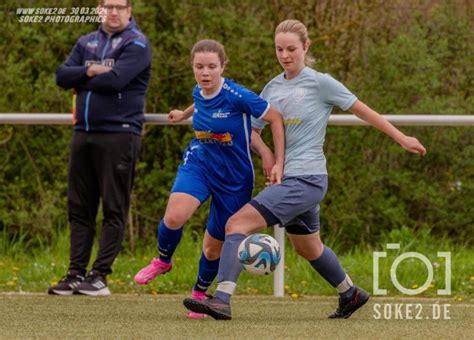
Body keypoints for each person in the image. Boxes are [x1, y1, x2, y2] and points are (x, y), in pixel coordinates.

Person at [184, 19, 427, 320]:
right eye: (279, 49)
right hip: (289, 180)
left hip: (306, 178)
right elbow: (254, 131)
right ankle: (350, 294)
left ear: (306, 47)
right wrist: (267, 156)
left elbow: (363, 109)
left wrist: (401, 137)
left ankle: (221, 299)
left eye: (291, 49)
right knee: (309, 247)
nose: (285, 55)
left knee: (236, 225)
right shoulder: (272, 86)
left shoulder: (320, 82)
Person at [133, 39, 285, 318]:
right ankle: (163, 261)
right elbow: (200, 100)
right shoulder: (199, 89)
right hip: (200, 164)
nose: (205, 72)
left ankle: (200, 293)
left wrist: (269, 155)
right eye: (199, 67)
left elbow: (274, 118)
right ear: (193, 67)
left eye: (211, 67)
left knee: (213, 248)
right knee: (175, 215)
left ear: (223, 67)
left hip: (234, 178)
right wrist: (183, 113)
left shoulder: (238, 95)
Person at [48, 0, 152, 296]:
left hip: (119, 135)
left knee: (113, 207)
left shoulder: (138, 44)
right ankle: (75, 273)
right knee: (79, 207)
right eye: (108, 5)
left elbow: (117, 80)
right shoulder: (86, 41)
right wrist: (91, 71)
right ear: (98, 9)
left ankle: (99, 276)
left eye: (120, 6)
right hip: (83, 133)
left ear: (130, 10)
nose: (114, 11)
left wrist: (84, 75)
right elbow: (61, 76)